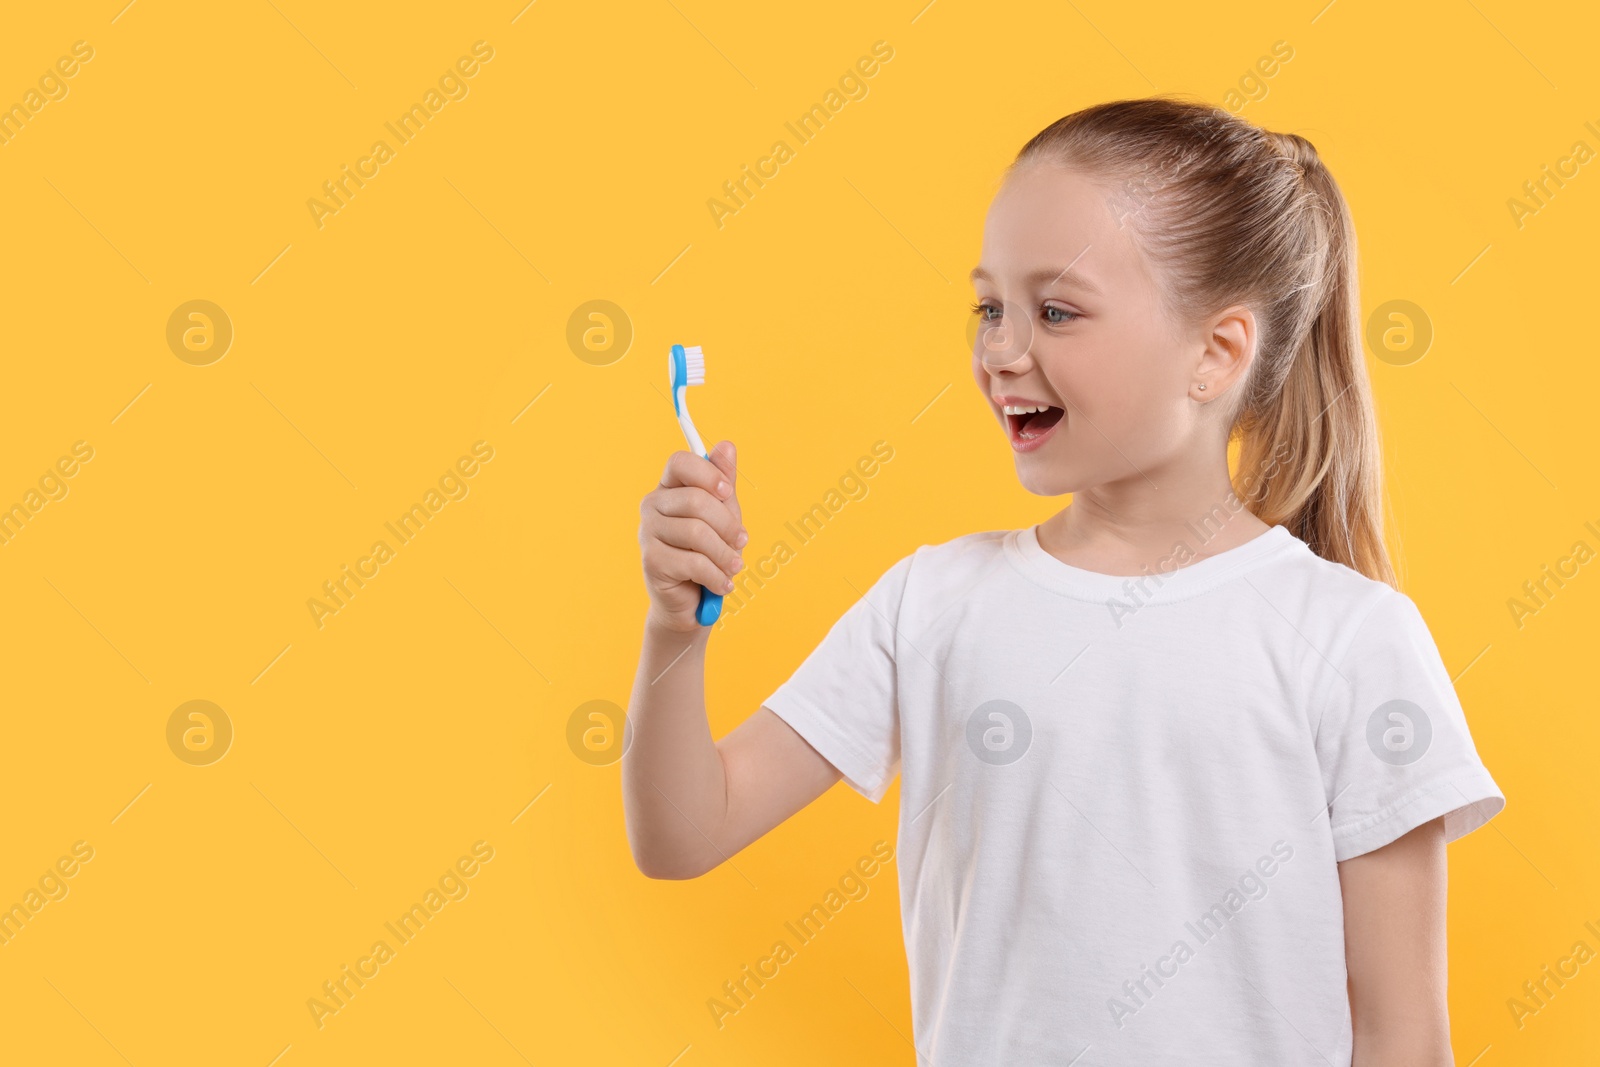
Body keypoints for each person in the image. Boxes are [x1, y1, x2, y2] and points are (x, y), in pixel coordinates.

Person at [624, 95, 1504, 1065]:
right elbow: (682, 831)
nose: (1001, 350)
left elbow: (1404, 1036)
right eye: (988, 306)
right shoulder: (932, 605)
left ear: (1213, 354)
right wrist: (676, 627)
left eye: (1054, 311)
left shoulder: (1349, 638)